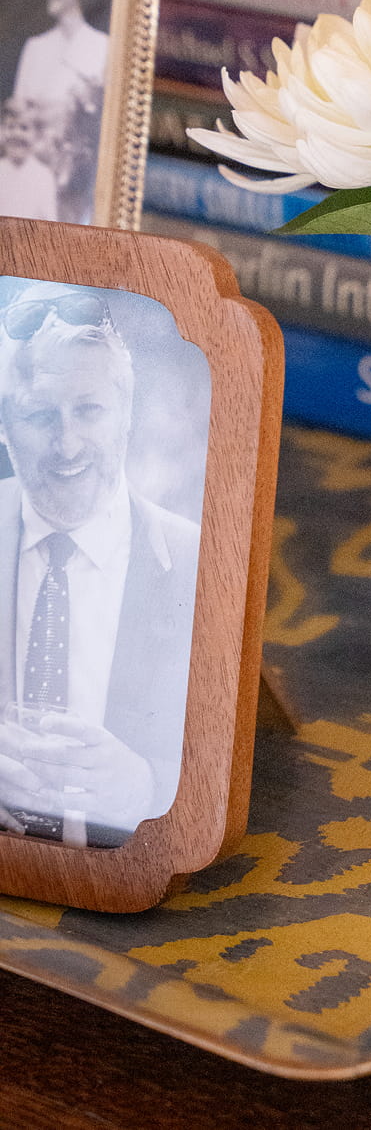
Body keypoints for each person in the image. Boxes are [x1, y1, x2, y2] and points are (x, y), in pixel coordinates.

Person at [0, 287, 200, 848]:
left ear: (126, 416)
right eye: (40, 414)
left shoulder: (195, 560)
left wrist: (143, 788)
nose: (68, 446)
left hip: (135, 900)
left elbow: (206, 758)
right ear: (2, 426)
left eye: (88, 410)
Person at [12, 0, 108, 225]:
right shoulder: (35, 48)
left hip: (78, 178)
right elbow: (19, 115)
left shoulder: (103, 47)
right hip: (34, 175)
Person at [0, 99, 58, 221]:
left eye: (24, 128)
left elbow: (48, 221)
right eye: (11, 127)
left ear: (37, 135)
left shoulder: (43, 177)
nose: (17, 134)